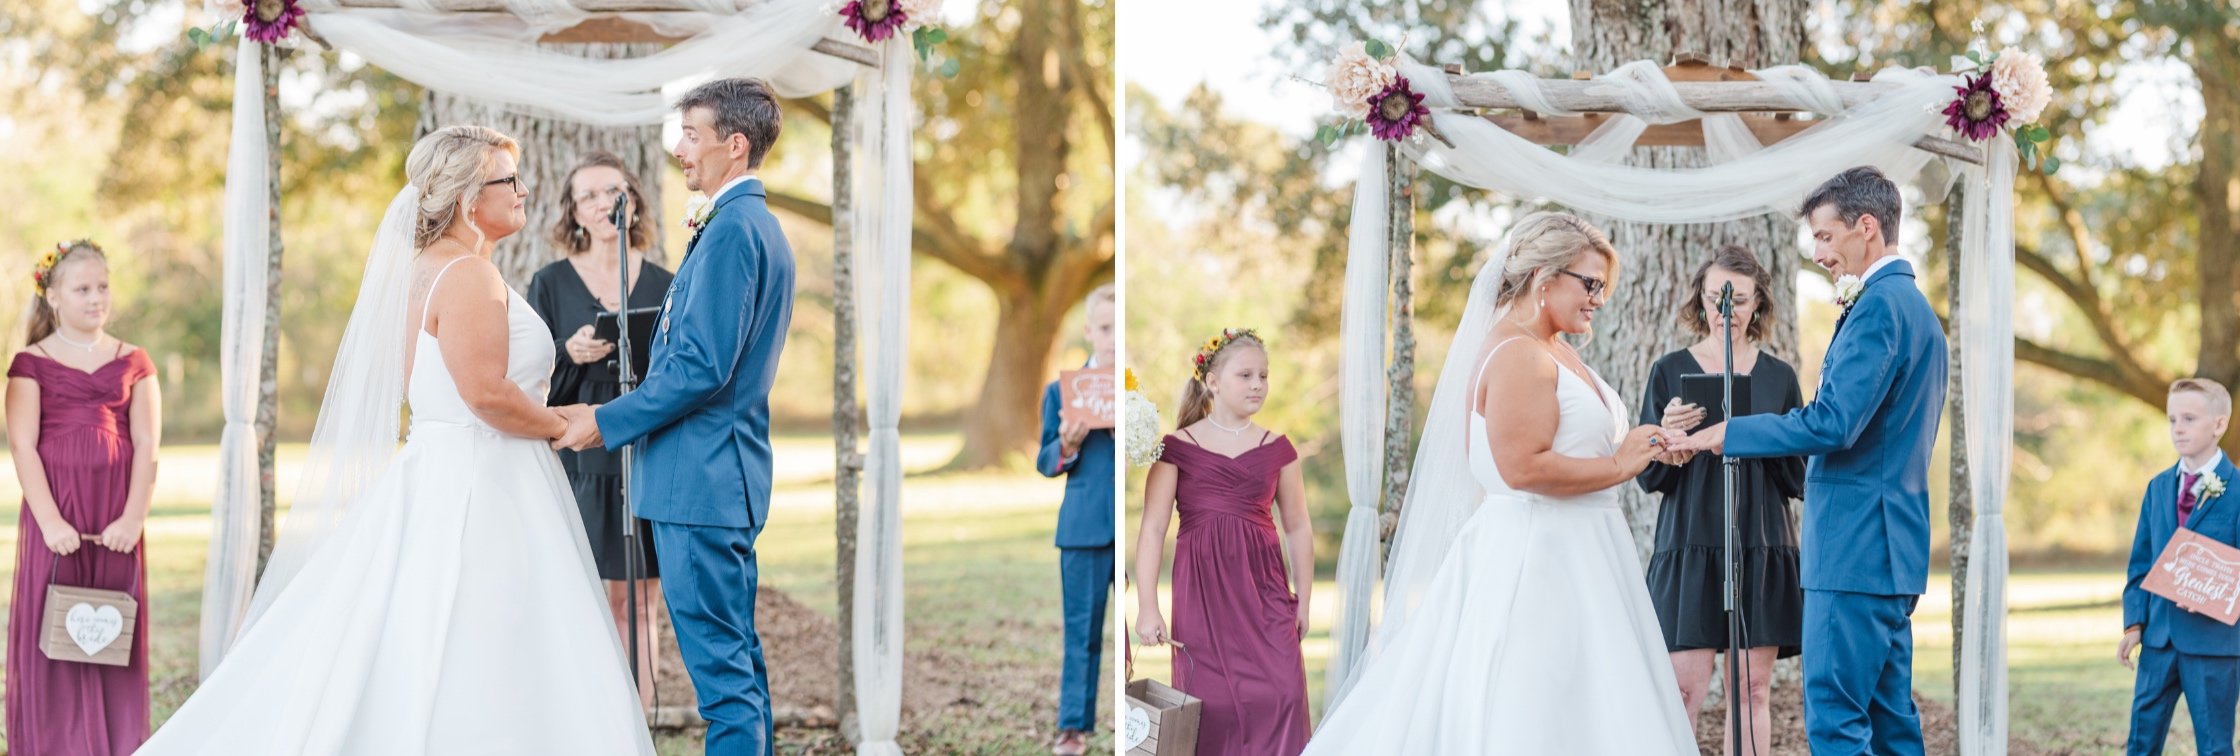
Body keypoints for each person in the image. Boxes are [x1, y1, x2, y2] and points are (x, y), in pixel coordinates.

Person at [138, 126, 656, 754]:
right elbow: (486, 395)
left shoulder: (432, 268)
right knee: (489, 631)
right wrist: (570, 423)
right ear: (469, 199)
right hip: (484, 481)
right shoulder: (467, 276)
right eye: (509, 181)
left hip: (450, 468)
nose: (524, 191)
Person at [1306, 212, 1692, 754]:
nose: (1599, 299)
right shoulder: (1518, 354)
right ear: (1544, 279)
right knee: (1531, 705)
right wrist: (1621, 465)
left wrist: (1646, 445)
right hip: (1540, 559)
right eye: (1591, 284)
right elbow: (1523, 468)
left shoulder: (1553, 350)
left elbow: (1579, 449)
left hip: (1586, 551)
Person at [554, 77, 795, 756]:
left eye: (692, 135)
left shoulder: (732, 232)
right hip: (722, 478)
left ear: (735, 146)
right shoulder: (752, 225)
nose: (680, 151)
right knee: (738, 660)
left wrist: (602, 421)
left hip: (700, 482)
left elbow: (700, 369)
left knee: (721, 677)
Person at [1673, 166, 1948, 755]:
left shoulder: (1878, 307)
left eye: (1825, 236)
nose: (1819, 253)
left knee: (1836, 720)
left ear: (1866, 227)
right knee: (1891, 719)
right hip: (1891, 548)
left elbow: (1832, 423)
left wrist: (1732, 432)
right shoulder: (1916, 308)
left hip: (1854, 548)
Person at [1636, 245, 1805, 756]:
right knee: (1682, 691)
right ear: (1701, 300)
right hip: (1690, 545)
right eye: (1716, 298)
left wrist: (1764, 434)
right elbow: (1647, 476)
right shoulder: (1669, 371)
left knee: (1750, 690)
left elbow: (1799, 476)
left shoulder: (1779, 376)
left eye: (1740, 300)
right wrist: (1666, 438)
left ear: (1757, 305)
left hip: (1758, 543)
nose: (1726, 311)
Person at [527, 149, 677, 708]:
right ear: (572, 209)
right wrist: (568, 354)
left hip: (645, 459)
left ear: (632, 201)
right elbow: (525, 384)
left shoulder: (667, 283)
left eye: (611, 190)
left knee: (640, 606)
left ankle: (635, 728)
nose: (600, 203)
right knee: (582, 605)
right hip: (579, 467)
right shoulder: (549, 283)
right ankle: (588, 723)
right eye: (586, 194)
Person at [5, 240, 159, 755]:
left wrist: (132, 517)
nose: (97, 298)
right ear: (53, 297)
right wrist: (50, 523)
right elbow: (22, 445)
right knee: (57, 629)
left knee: (110, 626)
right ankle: (56, 742)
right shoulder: (30, 364)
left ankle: (115, 742)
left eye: (103, 287)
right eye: (83, 289)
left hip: (113, 516)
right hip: (60, 515)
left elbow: (147, 445)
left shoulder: (134, 361)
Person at [1132, 329, 1313, 756]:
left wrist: (1303, 599)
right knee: (1212, 710)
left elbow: (1299, 527)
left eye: (1264, 376)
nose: (1257, 385)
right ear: (1212, 382)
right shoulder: (1176, 448)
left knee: (1283, 697)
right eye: (1245, 375)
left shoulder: (1279, 450)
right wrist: (1147, 604)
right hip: (1203, 602)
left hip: (1265, 597)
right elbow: (1153, 529)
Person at [2120, 378, 2239, 756]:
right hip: (2158, 639)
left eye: (2189, 418)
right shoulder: (2157, 488)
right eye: (2173, 420)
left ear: (2219, 425)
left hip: (2213, 645)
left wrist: (2211, 592)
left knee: (2215, 746)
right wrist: (2134, 623)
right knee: (2141, 742)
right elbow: (2141, 564)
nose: (2178, 428)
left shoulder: (2237, 491)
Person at [1040, 283, 1116, 756]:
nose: (1112, 336)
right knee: (1081, 631)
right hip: (1083, 528)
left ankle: (1140, 718)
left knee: (1134, 633)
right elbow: (1044, 460)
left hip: (1129, 529)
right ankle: (1073, 727)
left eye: (1120, 327)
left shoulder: (1136, 387)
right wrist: (1067, 445)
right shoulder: (1060, 392)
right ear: (1090, 330)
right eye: (1106, 327)